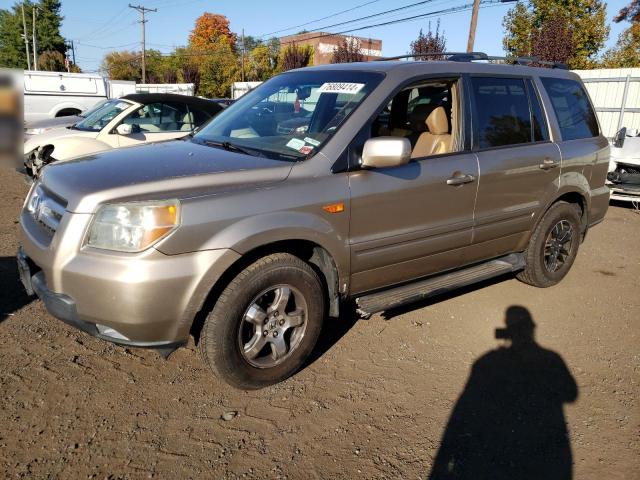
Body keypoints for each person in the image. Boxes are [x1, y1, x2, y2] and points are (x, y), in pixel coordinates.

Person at [429, 306, 578, 480]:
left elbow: (465, 405)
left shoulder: (487, 361)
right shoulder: (552, 358)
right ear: (532, 328)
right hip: (539, 446)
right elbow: (571, 394)